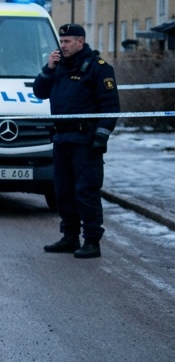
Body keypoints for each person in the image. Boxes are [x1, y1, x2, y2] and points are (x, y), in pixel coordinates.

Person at [33, 23, 121, 259]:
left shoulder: (98, 68)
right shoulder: (59, 66)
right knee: (63, 191)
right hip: (61, 138)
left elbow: (110, 106)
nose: (63, 46)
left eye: (67, 42)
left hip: (85, 140)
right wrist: (48, 68)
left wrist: (102, 135)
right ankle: (70, 236)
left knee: (86, 191)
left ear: (80, 42)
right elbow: (39, 92)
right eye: (61, 42)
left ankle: (92, 241)